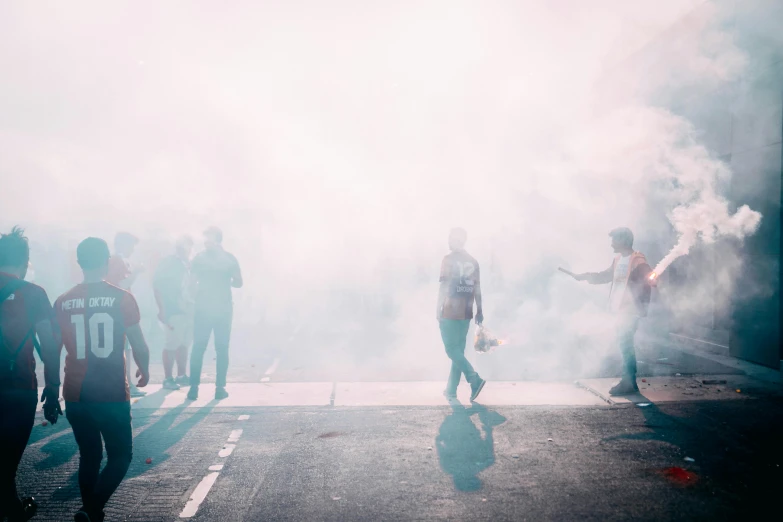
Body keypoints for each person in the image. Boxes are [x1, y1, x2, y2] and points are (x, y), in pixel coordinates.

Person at [55, 237, 150, 522]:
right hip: (110, 391)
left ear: (79, 263)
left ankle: (91, 514)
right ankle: (91, 508)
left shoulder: (63, 300)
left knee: (89, 455)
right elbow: (139, 344)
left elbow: (53, 347)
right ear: (107, 262)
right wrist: (144, 369)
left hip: (75, 390)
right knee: (121, 455)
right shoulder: (122, 297)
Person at [0, 227, 61, 522]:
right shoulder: (35, 294)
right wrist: (53, 387)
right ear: (25, 262)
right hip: (20, 388)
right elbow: (50, 346)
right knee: (7, 465)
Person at [572, 227, 654, 396]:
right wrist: (586, 276)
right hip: (619, 310)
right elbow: (606, 276)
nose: (611, 244)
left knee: (625, 344)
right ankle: (629, 381)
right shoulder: (618, 259)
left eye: (614, 240)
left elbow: (647, 282)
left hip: (629, 311)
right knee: (624, 344)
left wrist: (641, 307)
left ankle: (628, 382)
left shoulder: (638, 261)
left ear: (624, 241)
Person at [188, 227, 242, 401]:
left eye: (207, 238)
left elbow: (191, 282)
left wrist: (196, 296)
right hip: (223, 308)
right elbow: (239, 282)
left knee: (198, 347)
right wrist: (224, 279)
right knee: (222, 348)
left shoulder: (199, 258)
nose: (205, 242)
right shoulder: (229, 258)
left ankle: (193, 389)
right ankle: (220, 388)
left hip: (203, 307)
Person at [437, 228, 486, 402]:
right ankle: (451, 389)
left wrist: (438, 309)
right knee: (458, 350)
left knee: (452, 350)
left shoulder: (448, 260)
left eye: (450, 238)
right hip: (466, 312)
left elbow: (444, 287)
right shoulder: (473, 261)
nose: (448, 241)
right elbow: (477, 288)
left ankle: (474, 379)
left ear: (455, 240)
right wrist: (479, 310)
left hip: (450, 310)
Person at [106, 232, 146, 398]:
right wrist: (136, 272)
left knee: (126, 348)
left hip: (120, 308)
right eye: (131, 246)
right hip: (119, 309)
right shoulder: (117, 260)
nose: (133, 250)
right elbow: (120, 284)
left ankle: (126, 381)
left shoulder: (120, 260)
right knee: (125, 347)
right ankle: (126, 382)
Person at [153, 236, 194, 390]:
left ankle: (181, 375)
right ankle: (168, 378)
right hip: (174, 310)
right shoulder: (169, 262)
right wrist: (162, 309)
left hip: (188, 309)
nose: (187, 248)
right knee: (171, 343)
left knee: (184, 343)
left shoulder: (188, 263)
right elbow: (156, 285)